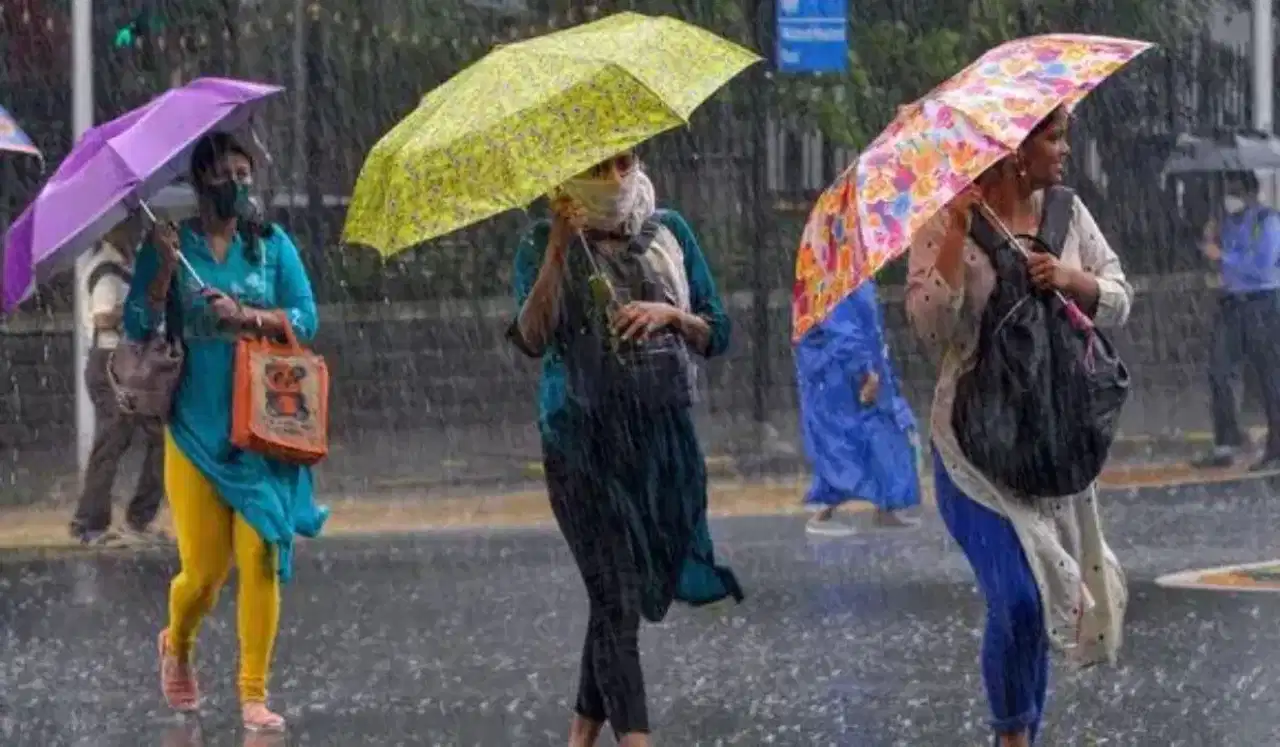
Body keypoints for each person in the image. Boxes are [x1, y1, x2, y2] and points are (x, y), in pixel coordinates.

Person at [906, 106, 1129, 747]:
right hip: (973, 452)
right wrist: (955, 232)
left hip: (1049, 442)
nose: (1064, 149)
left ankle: (1023, 735)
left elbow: (1120, 297)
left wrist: (1071, 279)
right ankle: (1012, 735)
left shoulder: (1067, 213)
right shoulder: (946, 218)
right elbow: (931, 330)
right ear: (1013, 151)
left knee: (1043, 599)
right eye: (1053, 138)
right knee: (1020, 598)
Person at [507, 151, 744, 747]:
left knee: (618, 597)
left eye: (624, 163)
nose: (615, 179)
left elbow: (717, 330)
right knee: (614, 594)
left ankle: (579, 738)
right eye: (598, 169)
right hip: (580, 443)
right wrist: (558, 247)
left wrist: (672, 316)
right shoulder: (542, 241)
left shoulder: (670, 232)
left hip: (658, 441)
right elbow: (532, 337)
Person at [123, 132, 327, 732]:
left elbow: (306, 317)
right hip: (194, 427)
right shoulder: (171, 245)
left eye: (244, 172)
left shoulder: (271, 246)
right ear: (199, 182)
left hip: (262, 425)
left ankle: (253, 693)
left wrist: (250, 317)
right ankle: (178, 643)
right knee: (204, 575)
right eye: (223, 174)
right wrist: (161, 273)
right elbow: (138, 323)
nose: (236, 183)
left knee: (261, 550)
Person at [793, 278, 921, 536]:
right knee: (843, 442)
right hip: (841, 377)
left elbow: (863, 327)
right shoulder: (836, 279)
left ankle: (887, 506)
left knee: (882, 435)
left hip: (855, 372)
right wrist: (865, 369)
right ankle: (824, 511)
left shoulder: (854, 278)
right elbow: (844, 332)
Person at [68, 216, 167, 546]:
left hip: (132, 365)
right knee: (112, 440)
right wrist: (135, 309)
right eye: (128, 225)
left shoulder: (130, 264)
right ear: (111, 229)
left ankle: (139, 518)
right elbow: (103, 318)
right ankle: (89, 523)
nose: (135, 231)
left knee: (161, 437)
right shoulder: (105, 268)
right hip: (110, 364)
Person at [1192, 170, 1280, 471]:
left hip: (1263, 302)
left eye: (1236, 193)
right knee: (1219, 370)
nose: (1231, 200)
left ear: (1250, 193)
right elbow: (1222, 263)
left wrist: (1223, 256)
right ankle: (1226, 443)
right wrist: (1210, 240)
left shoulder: (1267, 221)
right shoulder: (1228, 223)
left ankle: (1276, 445)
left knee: (1270, 375)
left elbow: (1262, 266)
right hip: (1232, 303)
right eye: (1228, 193)